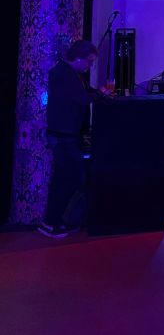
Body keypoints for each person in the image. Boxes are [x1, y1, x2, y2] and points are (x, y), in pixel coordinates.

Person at [38, 40, 111, 238]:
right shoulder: (62, 74)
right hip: (63, 136)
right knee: (69, 179)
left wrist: (99, 93)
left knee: (66, 179)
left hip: (66, 135)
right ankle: (51, 222)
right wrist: (101, 94)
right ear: (78, 58)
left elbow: (87, 91)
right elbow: (82, 98)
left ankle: (53, 221)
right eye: (89, 61)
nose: (90, 66)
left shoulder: (71, 74)